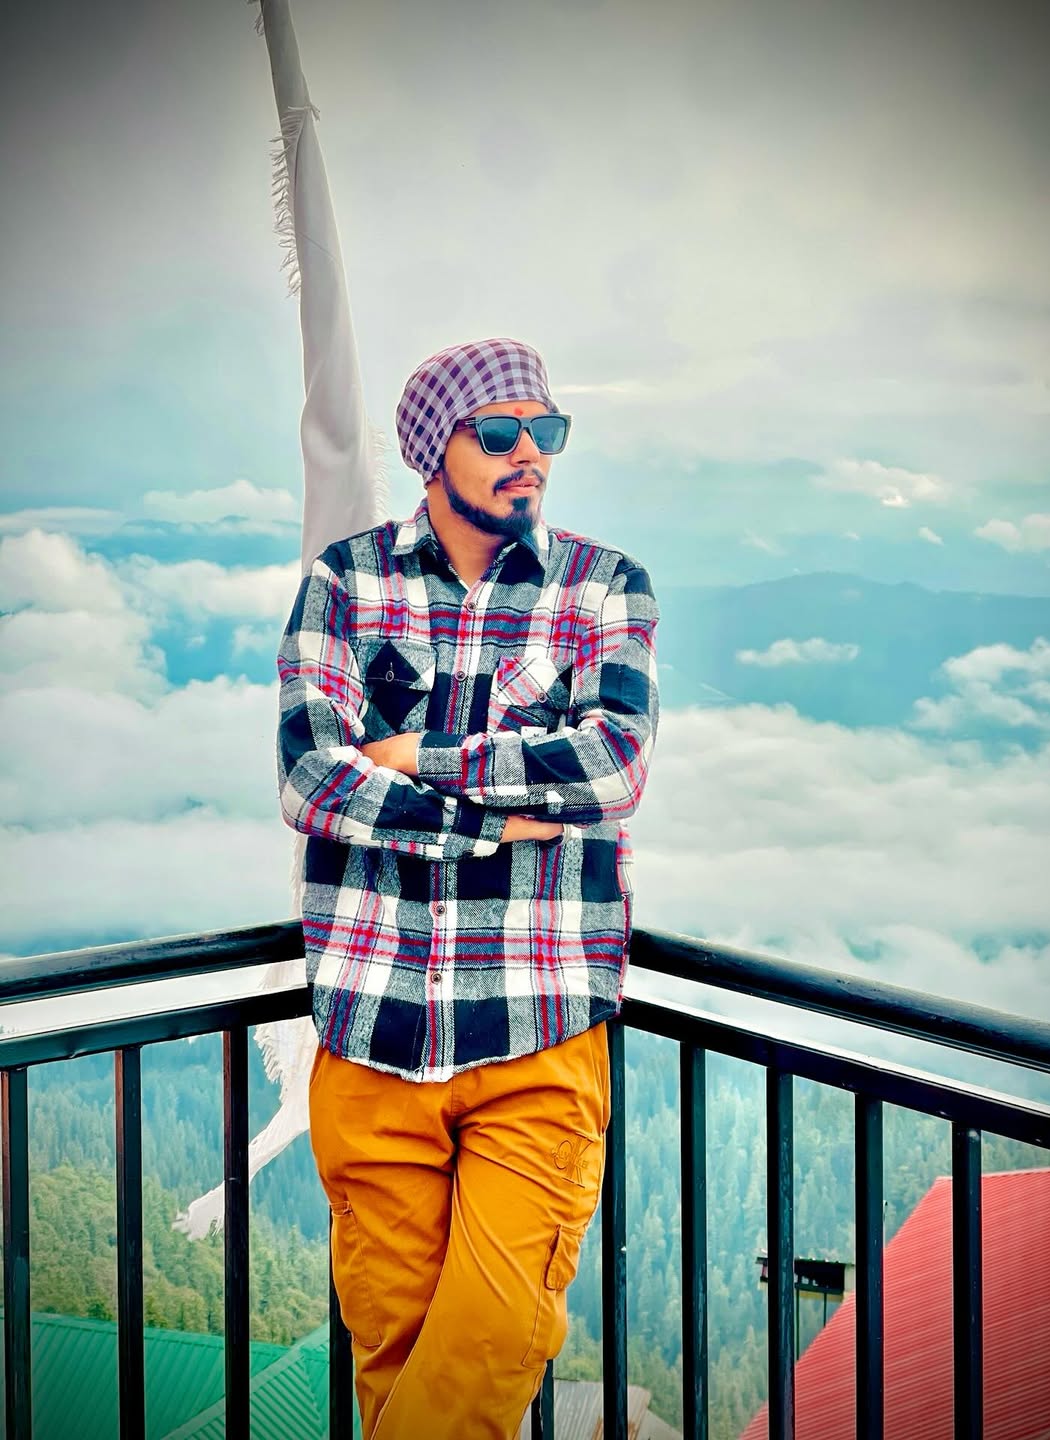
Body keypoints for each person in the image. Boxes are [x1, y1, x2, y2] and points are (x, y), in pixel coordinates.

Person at [277, 336, 660, 1439]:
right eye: (499, 433)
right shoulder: (345, 582)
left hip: (537, 1038)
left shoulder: (603, 586)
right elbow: (311, 779)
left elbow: (612, 767)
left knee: (485, 1355)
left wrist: (414, 759)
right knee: (398, 1372)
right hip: (371, 1038)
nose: (529, 452)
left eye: (548, 430)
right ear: (431, 450)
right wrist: (494, 819)